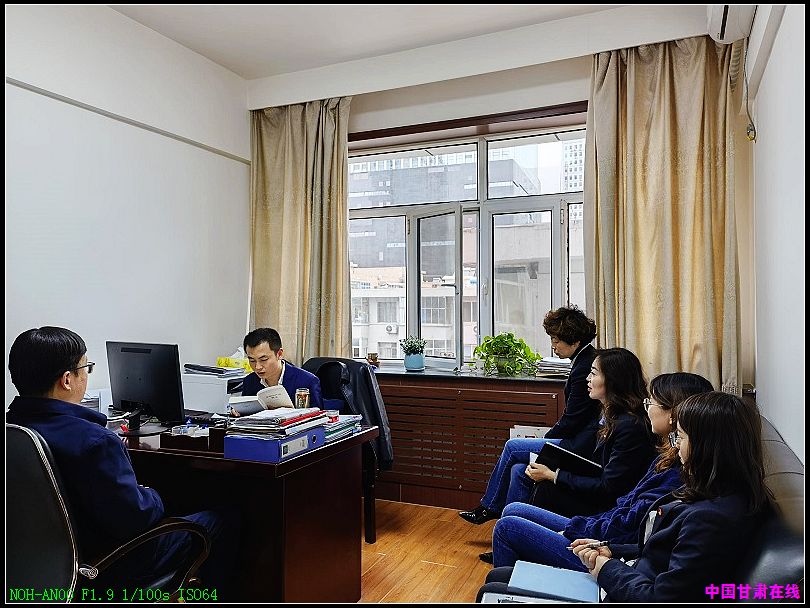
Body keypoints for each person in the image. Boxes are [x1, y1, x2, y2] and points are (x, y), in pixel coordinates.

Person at [6, 327, 239, 595]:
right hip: (104, 567)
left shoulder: (13, 430)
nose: (86, 375)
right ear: (67, 380)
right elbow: (135, 519)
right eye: (86, 368)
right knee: (223, 519)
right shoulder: (94, 442)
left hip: (33, 568)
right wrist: (153, 495)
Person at [490, 372, 713, 569]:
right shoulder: (666, 457)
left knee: (507, 527)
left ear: (673, 414)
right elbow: (626, 508)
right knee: (514, 509)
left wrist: (579, 529)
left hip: (606, 546)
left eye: (651, 403)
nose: (647, 409)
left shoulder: (677, 471)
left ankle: (510, 588)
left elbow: (629, 526)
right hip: (602, 529)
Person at [572, 391, 770, 601]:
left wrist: (606, 569)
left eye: (681, 437)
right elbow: (663, 549)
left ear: (706, 447)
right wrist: (612, 550)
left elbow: (662, 598)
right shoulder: (722, 493)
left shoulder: (710, 520)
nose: (676, 446)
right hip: (627, 573)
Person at [459, 306, 601, 527]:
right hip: (578, 438)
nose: (553, 346)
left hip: (580, 445)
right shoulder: (584, 359)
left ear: (574, 341)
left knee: (512, 446)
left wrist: (546, 441)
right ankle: (511, 527)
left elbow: (572, 419)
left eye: (556, 341)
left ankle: (490, 507)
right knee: (518, 470)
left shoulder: (585, 367)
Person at [522, 348, 657, 520]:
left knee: (541, 487)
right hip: (595, 489)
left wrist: (554, 475)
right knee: (523, 471)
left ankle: (517, 528)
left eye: (593, 373)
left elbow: (609, 487)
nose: (587, 378)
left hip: (607, 507)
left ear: (613, 380)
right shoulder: (608, 411)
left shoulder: (630, 426)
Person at [239, 327, 323, 410]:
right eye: (252, 360)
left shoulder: (307, 381)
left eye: (263, 359)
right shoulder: (249, 382)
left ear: (279, 354)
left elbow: (318, 416)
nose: (257, 367)